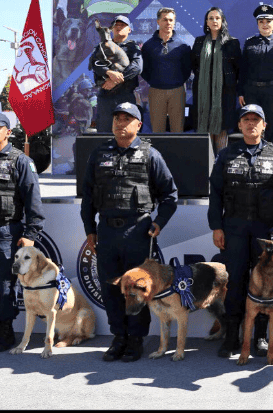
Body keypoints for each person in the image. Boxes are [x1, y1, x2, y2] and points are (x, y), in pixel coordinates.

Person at [81, 102, 178, 362]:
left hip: (138, 232)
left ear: (138, 125)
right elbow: (88, 197)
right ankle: (119, 337)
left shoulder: (150, 155)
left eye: (127, 119)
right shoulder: (98, 154)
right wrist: (90, 229)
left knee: (137, 288)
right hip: (107, 233)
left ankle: (136, 339)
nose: (121, 123)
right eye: (117, 118)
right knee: (111, 287)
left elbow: (170, 195)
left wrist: (159, 223)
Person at [208, 104, 273, 359]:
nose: (251, 123)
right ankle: (232, 336)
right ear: (240, 125)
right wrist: (216, 227)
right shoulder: (226, 155)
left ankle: (261, 337)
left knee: (266, 281)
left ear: (264, 125)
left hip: (266, 230)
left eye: (256, 119)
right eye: (246, 120)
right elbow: (216, 194)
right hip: (234, 228)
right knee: (235, 283)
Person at [0, 113, 45, 352]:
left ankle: (5, 331)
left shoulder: (20, 161)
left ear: (8, 132)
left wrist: (31, 234)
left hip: (4, 232)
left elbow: (33, 201)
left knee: (5, 285)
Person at [239, 5, 273, 147]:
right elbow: (243, 69)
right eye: (261, 22)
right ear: (257, 24)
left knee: (271, 127)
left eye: (268, 21)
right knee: (251, 126)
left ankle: (271, 160)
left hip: (272, 92)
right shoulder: (250, 43)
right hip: (251, 91)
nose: (265, 25)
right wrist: (241, 92)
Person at [191, 7, 242, 152]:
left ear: (222, 21)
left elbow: (239, 69)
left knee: (221, 128)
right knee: (205, 126)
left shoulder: (232, 43)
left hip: (224, 94)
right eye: (211, 18)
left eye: (217, 18)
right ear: (206, 22)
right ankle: (206, 166)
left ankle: (220, 163)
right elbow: (194, 66)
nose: (214, 21)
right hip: (202, 94)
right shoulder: (199, 42)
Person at [141, 7, 192, 133]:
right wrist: (156, 81)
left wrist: (177, 82)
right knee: (157, 130)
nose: (168, 23)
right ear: (158, 22)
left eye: (171, 20)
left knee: (177, 129)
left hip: (177, 91)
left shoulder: (182, 45)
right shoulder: (148, 45)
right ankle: (157, 153)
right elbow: (144, 70)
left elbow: (187, 69)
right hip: (156, 91)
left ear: (174, 22)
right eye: (165, 20)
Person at [88, 15, 143, 133]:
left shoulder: (133, 48)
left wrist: (115, 80)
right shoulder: (101, 47)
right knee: (104, 133)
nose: (119, 27)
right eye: (116, 25)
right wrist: (108, 72)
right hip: (105, 97)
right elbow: (95, 63)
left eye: (122, 25)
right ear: (112, 29)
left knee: (127, 133)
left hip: (125, 96)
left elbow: (137, 68)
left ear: (129, 29)